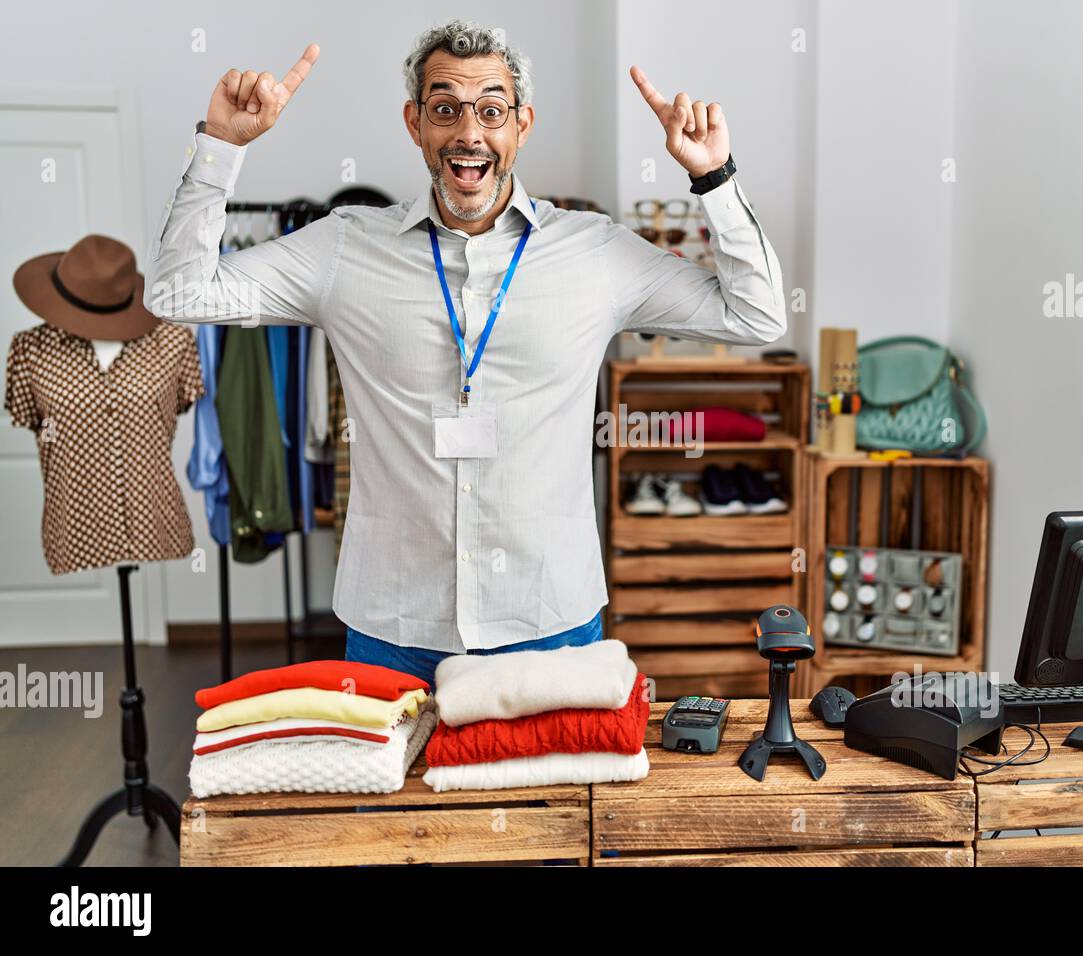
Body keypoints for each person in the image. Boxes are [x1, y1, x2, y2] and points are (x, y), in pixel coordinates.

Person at [145, 19, 786, 688]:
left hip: (549, 619)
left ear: (522, 124)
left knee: (556, 798)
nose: (469, 133)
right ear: (414, 123)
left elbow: (757, 314)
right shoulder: (342, 248)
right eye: (445, 108)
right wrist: (220, 147)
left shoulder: (597, 253)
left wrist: (714, 178)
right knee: (391, 799)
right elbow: (177, 292)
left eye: (491, 110)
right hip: (393, 626)